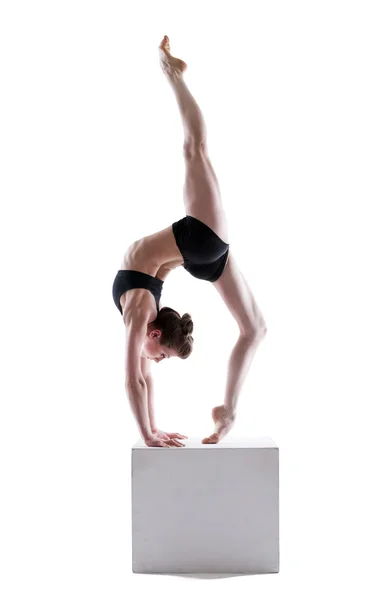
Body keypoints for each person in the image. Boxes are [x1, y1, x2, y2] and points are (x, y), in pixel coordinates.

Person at [112, 35, 267, 448]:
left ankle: (173, 74)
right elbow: (141, 377)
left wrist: (148, 434)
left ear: (157, 336)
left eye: (159, 355)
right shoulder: (142, 312)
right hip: (198, 248)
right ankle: (228, 411)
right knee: (254, 329)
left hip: (200, 242)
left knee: (194, 148)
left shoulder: (141, 311)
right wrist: (152, 428)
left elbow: (134, 377)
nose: (156, 362)